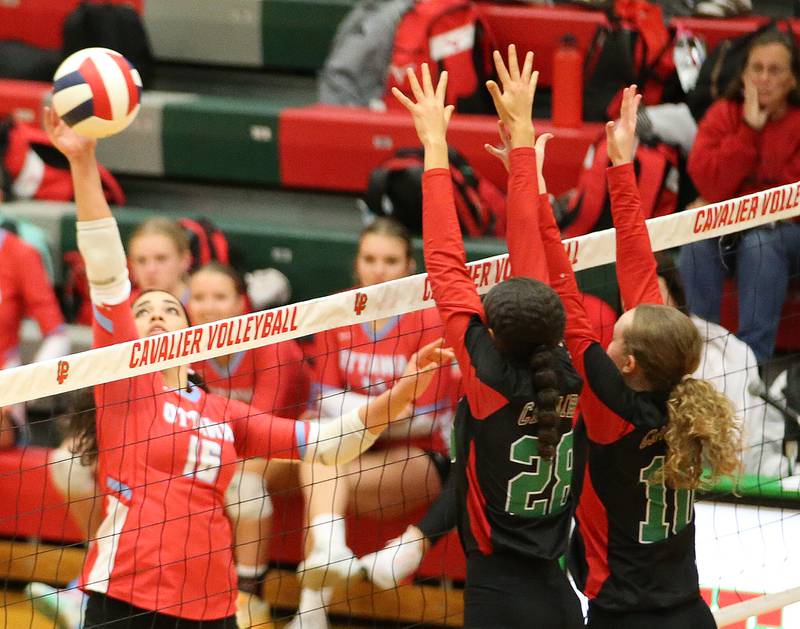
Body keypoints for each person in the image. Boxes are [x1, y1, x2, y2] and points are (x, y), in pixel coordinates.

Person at [41, 106, 452, 629]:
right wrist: (82, 162)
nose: (156, 316)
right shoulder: (124, 388)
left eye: (171, 309)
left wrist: (405, 390)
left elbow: (333, 444)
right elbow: (105, 270)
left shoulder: (223, 412)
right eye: (142, 311)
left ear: (192, 338)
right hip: (127, 597)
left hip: (213, 606)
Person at [393, 49, 584, 628]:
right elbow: (517, 256)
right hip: (557, 591)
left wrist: (434, 145)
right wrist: (521, 143)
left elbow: (447, 261)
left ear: (494, 332)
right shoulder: (574, 368)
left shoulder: (489, 382)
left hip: (499, 595)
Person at [538, 85, 740, 628]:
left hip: (627, 618)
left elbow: (563, 289)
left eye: (617, 335)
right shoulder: (681, 390)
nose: (611, 331)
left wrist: (536, 193)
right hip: (692, 614)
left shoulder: (610, 413)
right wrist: (621, 166)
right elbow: (638, 267)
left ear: (628, 362)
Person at [288, 217, 459, 629]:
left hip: (421, 458)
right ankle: (326, 565)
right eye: (369, 258)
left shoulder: (430, 317)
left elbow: (425, 418)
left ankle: (312, 611)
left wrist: (358, 416)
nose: (379, 269)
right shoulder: (339, 309)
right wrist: (384, 410)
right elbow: (322, 398)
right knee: (321, 452)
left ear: (409, 265)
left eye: (390, 260)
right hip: (356, 450)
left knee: (325, 453)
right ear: (356, 263)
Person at [189, 261, 309, 627]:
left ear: (243, 302)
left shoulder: (273, 347)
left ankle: (251, 596)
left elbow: (262, 429)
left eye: (220, 297)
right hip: (230, 450)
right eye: (198, 297)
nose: (209, 307)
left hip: (294, 447)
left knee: (243, 485)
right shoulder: (183, 347)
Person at [678, 30, 800, 364]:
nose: (763, 78)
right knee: (698, 241)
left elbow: (788, 201)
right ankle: (696, 356)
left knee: (761, 242)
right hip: (733, 227)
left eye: (774, 70)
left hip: (786, 235)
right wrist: (748, 130)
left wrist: (733, 199)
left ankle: (751, 366)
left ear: (792, 79)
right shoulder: (723, 115)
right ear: (744, 75)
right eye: (756, 69)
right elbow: (709, 181)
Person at [128, 216, 192, 305]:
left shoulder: (209, 309)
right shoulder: (123, 311)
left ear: (184, 261)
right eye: (141, 261)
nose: (150, 270)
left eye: (161, 259)